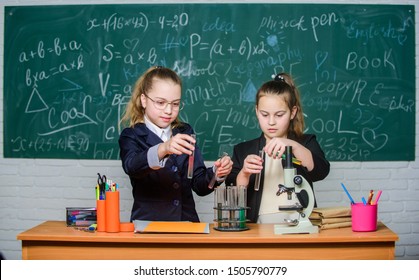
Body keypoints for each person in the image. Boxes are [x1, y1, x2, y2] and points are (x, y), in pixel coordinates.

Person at [119, 66, 233, 222]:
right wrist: (164, 148)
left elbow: (198, 184)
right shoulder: (132, 135)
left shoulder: (185, 131)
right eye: (160, 102)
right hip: (149, 226)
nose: (168, 110)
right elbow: (131, 166)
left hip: (186, 224)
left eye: (175, 104)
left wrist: (216, 174)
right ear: (143, 100)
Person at [226, 72, 330, 223]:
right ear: (256, 111)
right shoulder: (242, 150)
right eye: (264, 114)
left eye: (279, 115)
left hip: (301, 221)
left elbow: (322, 171)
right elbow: (232, 196)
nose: (271, 122)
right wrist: (244, 173)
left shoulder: (306, 142)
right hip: (258, 226)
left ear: (292, 112)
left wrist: (293, 145)